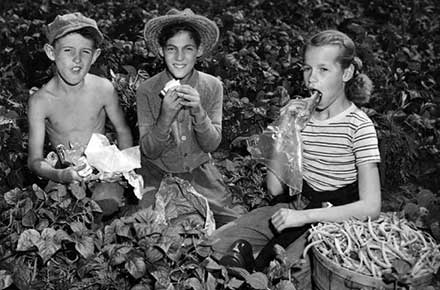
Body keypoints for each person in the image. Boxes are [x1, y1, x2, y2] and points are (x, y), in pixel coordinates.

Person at [210, 29, 381, 271]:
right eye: (307, 69)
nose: (311, 79)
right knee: (213, 245)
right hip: (296, 206)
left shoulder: (359, 127)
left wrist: (303, 218)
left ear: (347, 73)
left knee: (284, 272)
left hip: (335, 218)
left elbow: (371, 207)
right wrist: (286, 128)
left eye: (323, 70)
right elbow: (275, 188)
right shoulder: (302, 118)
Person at [136, 8, 241, 227]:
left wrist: (198, 111)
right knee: (148, 227)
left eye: (188, 49)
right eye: (172, 49)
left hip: (200, 172)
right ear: (162, 51)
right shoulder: (147, 90)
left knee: (230, 225)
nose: (180, 57)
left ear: (199, 50)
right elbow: (149, 150)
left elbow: (211, 144)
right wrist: (165, 117)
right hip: (159, 171)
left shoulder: (212, 86)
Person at [27, 12, 133, 217]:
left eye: (85, 52)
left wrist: (123, 166)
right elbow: (34, 160)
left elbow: (122, 130)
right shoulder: (40, 101)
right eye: (68, 50)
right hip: (64, 173)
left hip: (102, 171)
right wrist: (60, 174)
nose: (77, 60)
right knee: (60, 214)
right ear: (51, 52)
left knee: (107, 205)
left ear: (95, 56)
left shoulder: (104, 89)